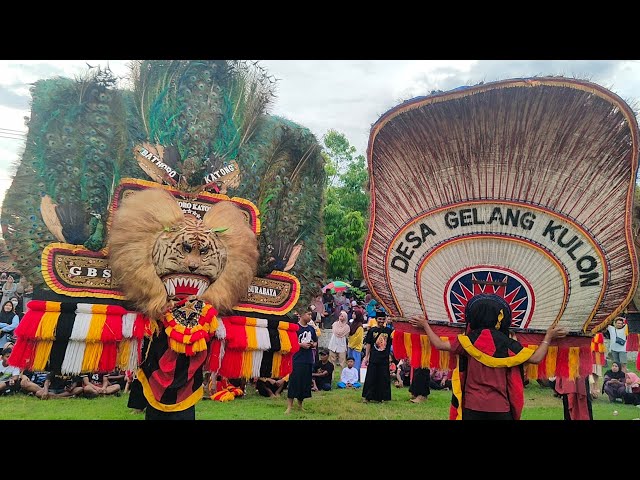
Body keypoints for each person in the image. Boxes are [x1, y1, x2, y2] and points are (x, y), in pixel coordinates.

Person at [409, 293, 567, 420]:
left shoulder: (467, 341)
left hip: (472, 406)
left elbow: (439, 344)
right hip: (500, 408)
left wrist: (425, 325)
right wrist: (549, 336)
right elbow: (536, 358)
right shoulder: (508, 344)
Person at [285, 307, 318, 414]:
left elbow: (316, 342)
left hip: (308, 359)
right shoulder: (295, 328)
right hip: (297, 359)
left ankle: (300, 405)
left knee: (304, 383)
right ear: (302, 314)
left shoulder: (311, 329)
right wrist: (300, 344)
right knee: (294, 382)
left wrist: (312, 344)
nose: (310, 316)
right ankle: (289, 406)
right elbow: (290, 342)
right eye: (308, 314)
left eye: (310, 314)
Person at [361, 313, 393, 403]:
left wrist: (390, 357)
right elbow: (368, 344)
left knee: (384, 378)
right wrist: (366, 357)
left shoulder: (388, 331)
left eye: (383, 319)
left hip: (384, 358)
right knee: (371, 377)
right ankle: (367, 397)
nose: (381, 321)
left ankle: (383, 398)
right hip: (374, 358)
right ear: (376, 319)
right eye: (379, 319)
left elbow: (390, 344)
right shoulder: (372, 331)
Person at [347, 309, 364, 379]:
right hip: (350, 346)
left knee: (356, 363)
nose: (353, 315)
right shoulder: (352, 323)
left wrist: (352, 345)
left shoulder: (360, 326)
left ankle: (356, 377)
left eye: (354, 314)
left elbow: (358, 338)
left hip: (356, 348)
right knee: (349, 363)